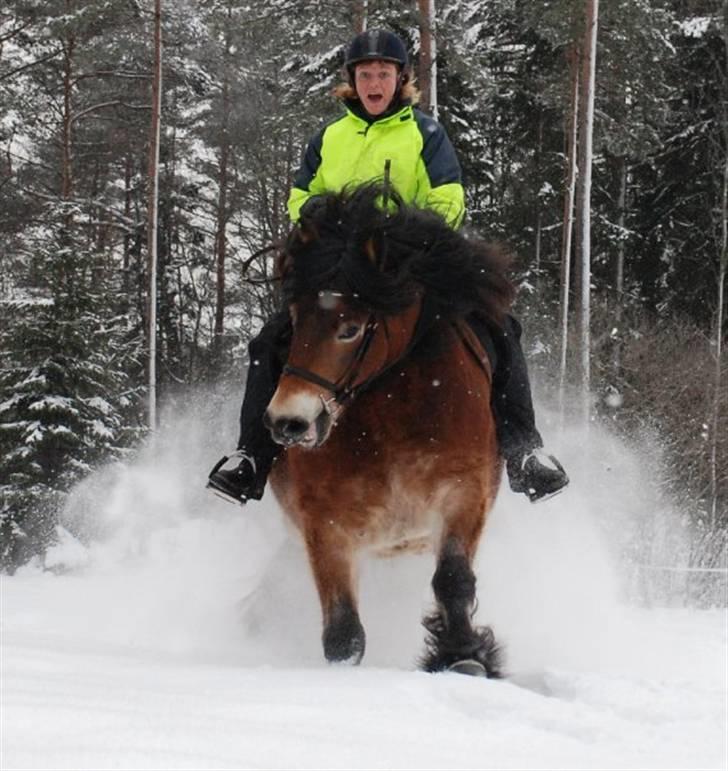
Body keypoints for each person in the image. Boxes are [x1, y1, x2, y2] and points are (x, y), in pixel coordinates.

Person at [207, 29, 568, 505]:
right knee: (271, 339)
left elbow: (449, 198)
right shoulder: (329, 138)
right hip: (339, 273)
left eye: (383, 74)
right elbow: (299, 196)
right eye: (365, 75)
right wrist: (322, 218)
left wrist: (401, 235)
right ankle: (251, 458)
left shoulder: (425, 134)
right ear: (351, 81)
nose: (374, 83)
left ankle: (524, 451)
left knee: (499, 328)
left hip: (407, 269)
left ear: (400, 79)